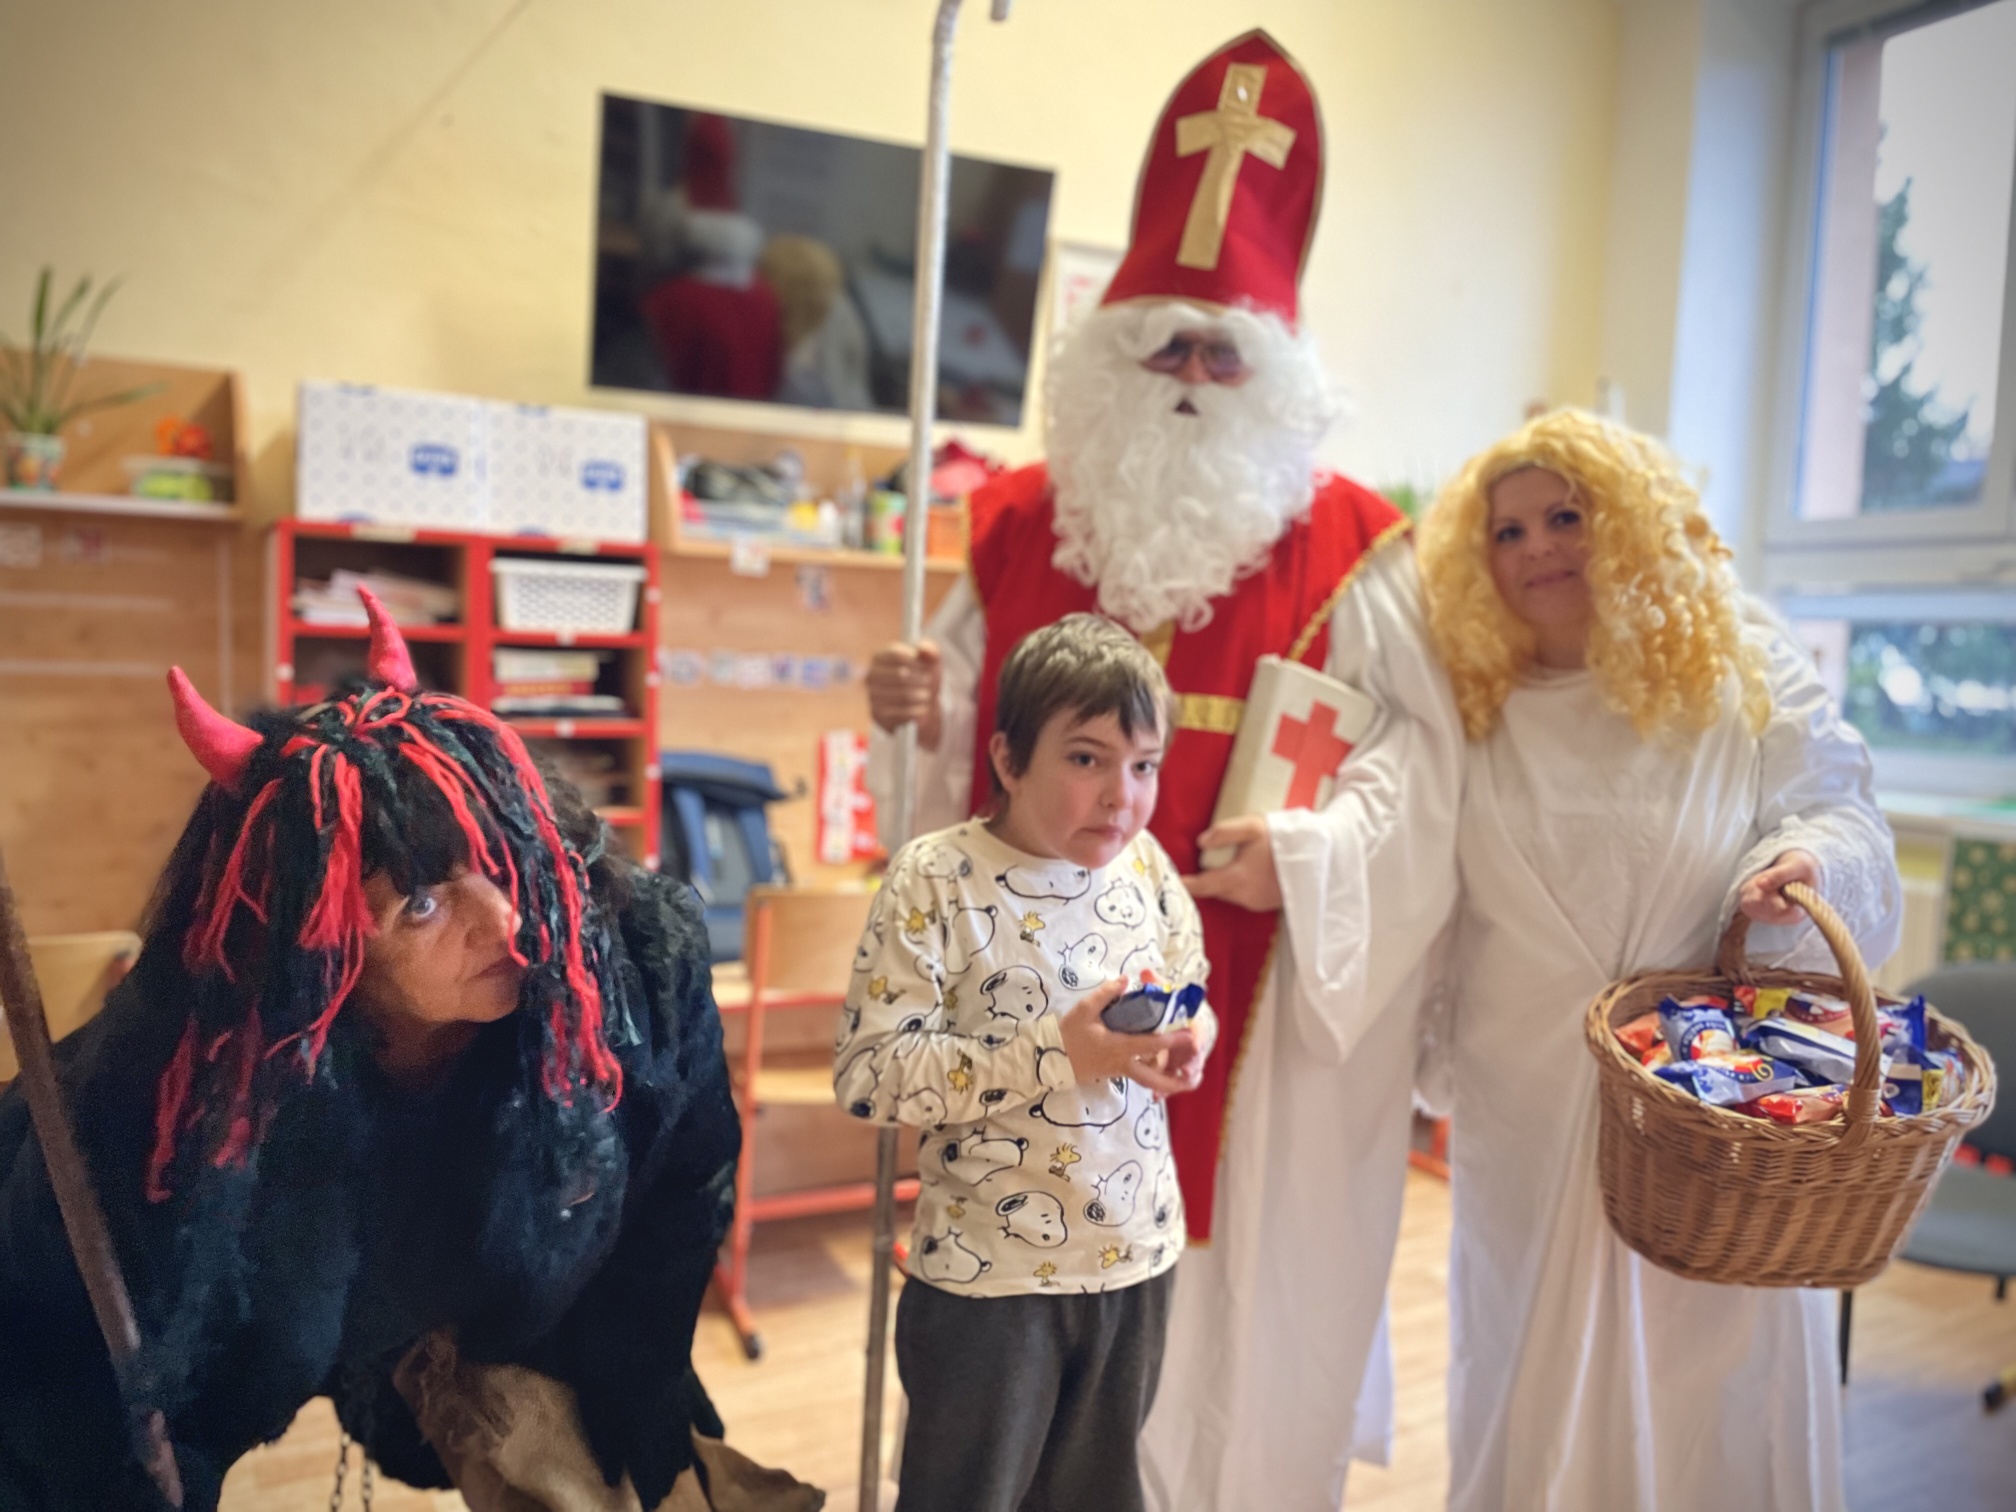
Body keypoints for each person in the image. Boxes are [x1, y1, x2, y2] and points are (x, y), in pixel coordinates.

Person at [864, 30, 1463, 1512]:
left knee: (1225, 1355)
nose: (1192, 378)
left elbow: (1427, 770)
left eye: (1224, 351)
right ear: (1112, 354)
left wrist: (1309, 859)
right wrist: (914, 710)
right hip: (1020, 1047)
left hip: (1264, 1021)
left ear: (1274, 372)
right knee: (1006, 1409)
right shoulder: (1015, 523)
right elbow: (950, 759)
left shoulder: (1361, 547)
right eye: (1165, 346)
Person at [0, 594, 740, 1510]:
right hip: (291, 1305)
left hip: (524, 1305)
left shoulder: (632, 972)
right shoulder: (182, 1100)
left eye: (499, 858)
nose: (505, 922)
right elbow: (62, 1367)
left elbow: (687, 1180)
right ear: (321, 954)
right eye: (421, 906)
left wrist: (641, 1373)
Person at [1415, 409, 1903, 1511]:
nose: (1537, 548)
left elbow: (1838, 804)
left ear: (1626, 522)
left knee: (1710, 1369)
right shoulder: (1470, 701)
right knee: (1521, 1351)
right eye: (1507, 532)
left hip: (1708, 1100)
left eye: (1565, 517)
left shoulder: (1739, 658)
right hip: (1525, 1088)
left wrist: (1806, 863)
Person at [839, 614, 1214, 1512]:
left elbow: (1188, 985)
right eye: (1087, 759)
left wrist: (1186, 1040)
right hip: (989, 1280)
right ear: (1007, 759)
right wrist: (1056, 1053)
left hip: (1134, 1257)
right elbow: (871, 1073)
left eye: (1144, 766)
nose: (1120, 797)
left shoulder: (1147, 867)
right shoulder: (937, 878)